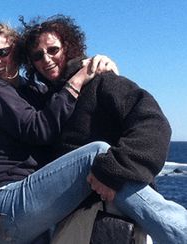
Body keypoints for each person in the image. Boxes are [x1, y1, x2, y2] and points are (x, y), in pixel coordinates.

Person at [22, 15, 187, 243]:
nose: (47, 59)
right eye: (38, 55)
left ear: (69, 47)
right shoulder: (49, 102)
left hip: (111, 212)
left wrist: (113, 169)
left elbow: (153, 123)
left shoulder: (101, 81)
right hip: (73, 218)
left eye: (53, 49)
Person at [0, 22, 119, 243]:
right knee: (100, 154)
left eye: (2, 53)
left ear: (16, 52)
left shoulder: (32, 90)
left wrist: (96, 65)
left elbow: (61, 108)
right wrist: (78, 78)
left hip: (24, 204)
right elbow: (39, 129)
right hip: (4, 202)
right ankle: (178, 231)